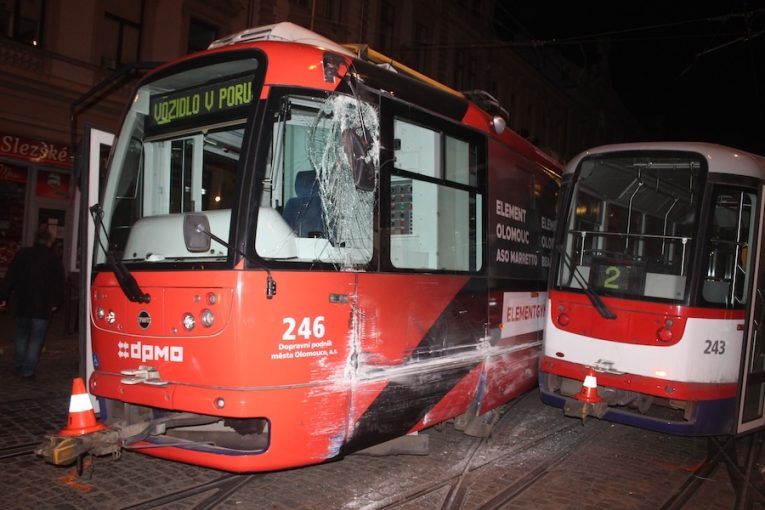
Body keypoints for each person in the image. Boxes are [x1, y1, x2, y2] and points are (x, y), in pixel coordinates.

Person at [0, 228, 65, 380]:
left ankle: (19, 362)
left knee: (21, 334)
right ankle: (27, 370)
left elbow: (10, 277)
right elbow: (59, 284)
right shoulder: (53, 259)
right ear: (49, 242)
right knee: (36, 338)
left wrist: (3, 295)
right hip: (42, 305)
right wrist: (56, 302)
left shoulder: (23, 255)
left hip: (22, 302)